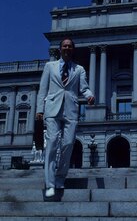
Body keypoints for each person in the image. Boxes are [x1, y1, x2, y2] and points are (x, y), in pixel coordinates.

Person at [36, 38, 95, 199]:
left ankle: (60, 177)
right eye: (64, 46)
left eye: (69, 46)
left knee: (68, 144)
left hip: (71, 110)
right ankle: (49, 183)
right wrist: (39, 110)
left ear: (72, 49)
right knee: (52, 143)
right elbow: (43, 89)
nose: (67, 48)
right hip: (52, 109)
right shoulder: (50, 66)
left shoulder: (79, 69)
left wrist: (90, 96)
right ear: (60, 48)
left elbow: (84, 88)